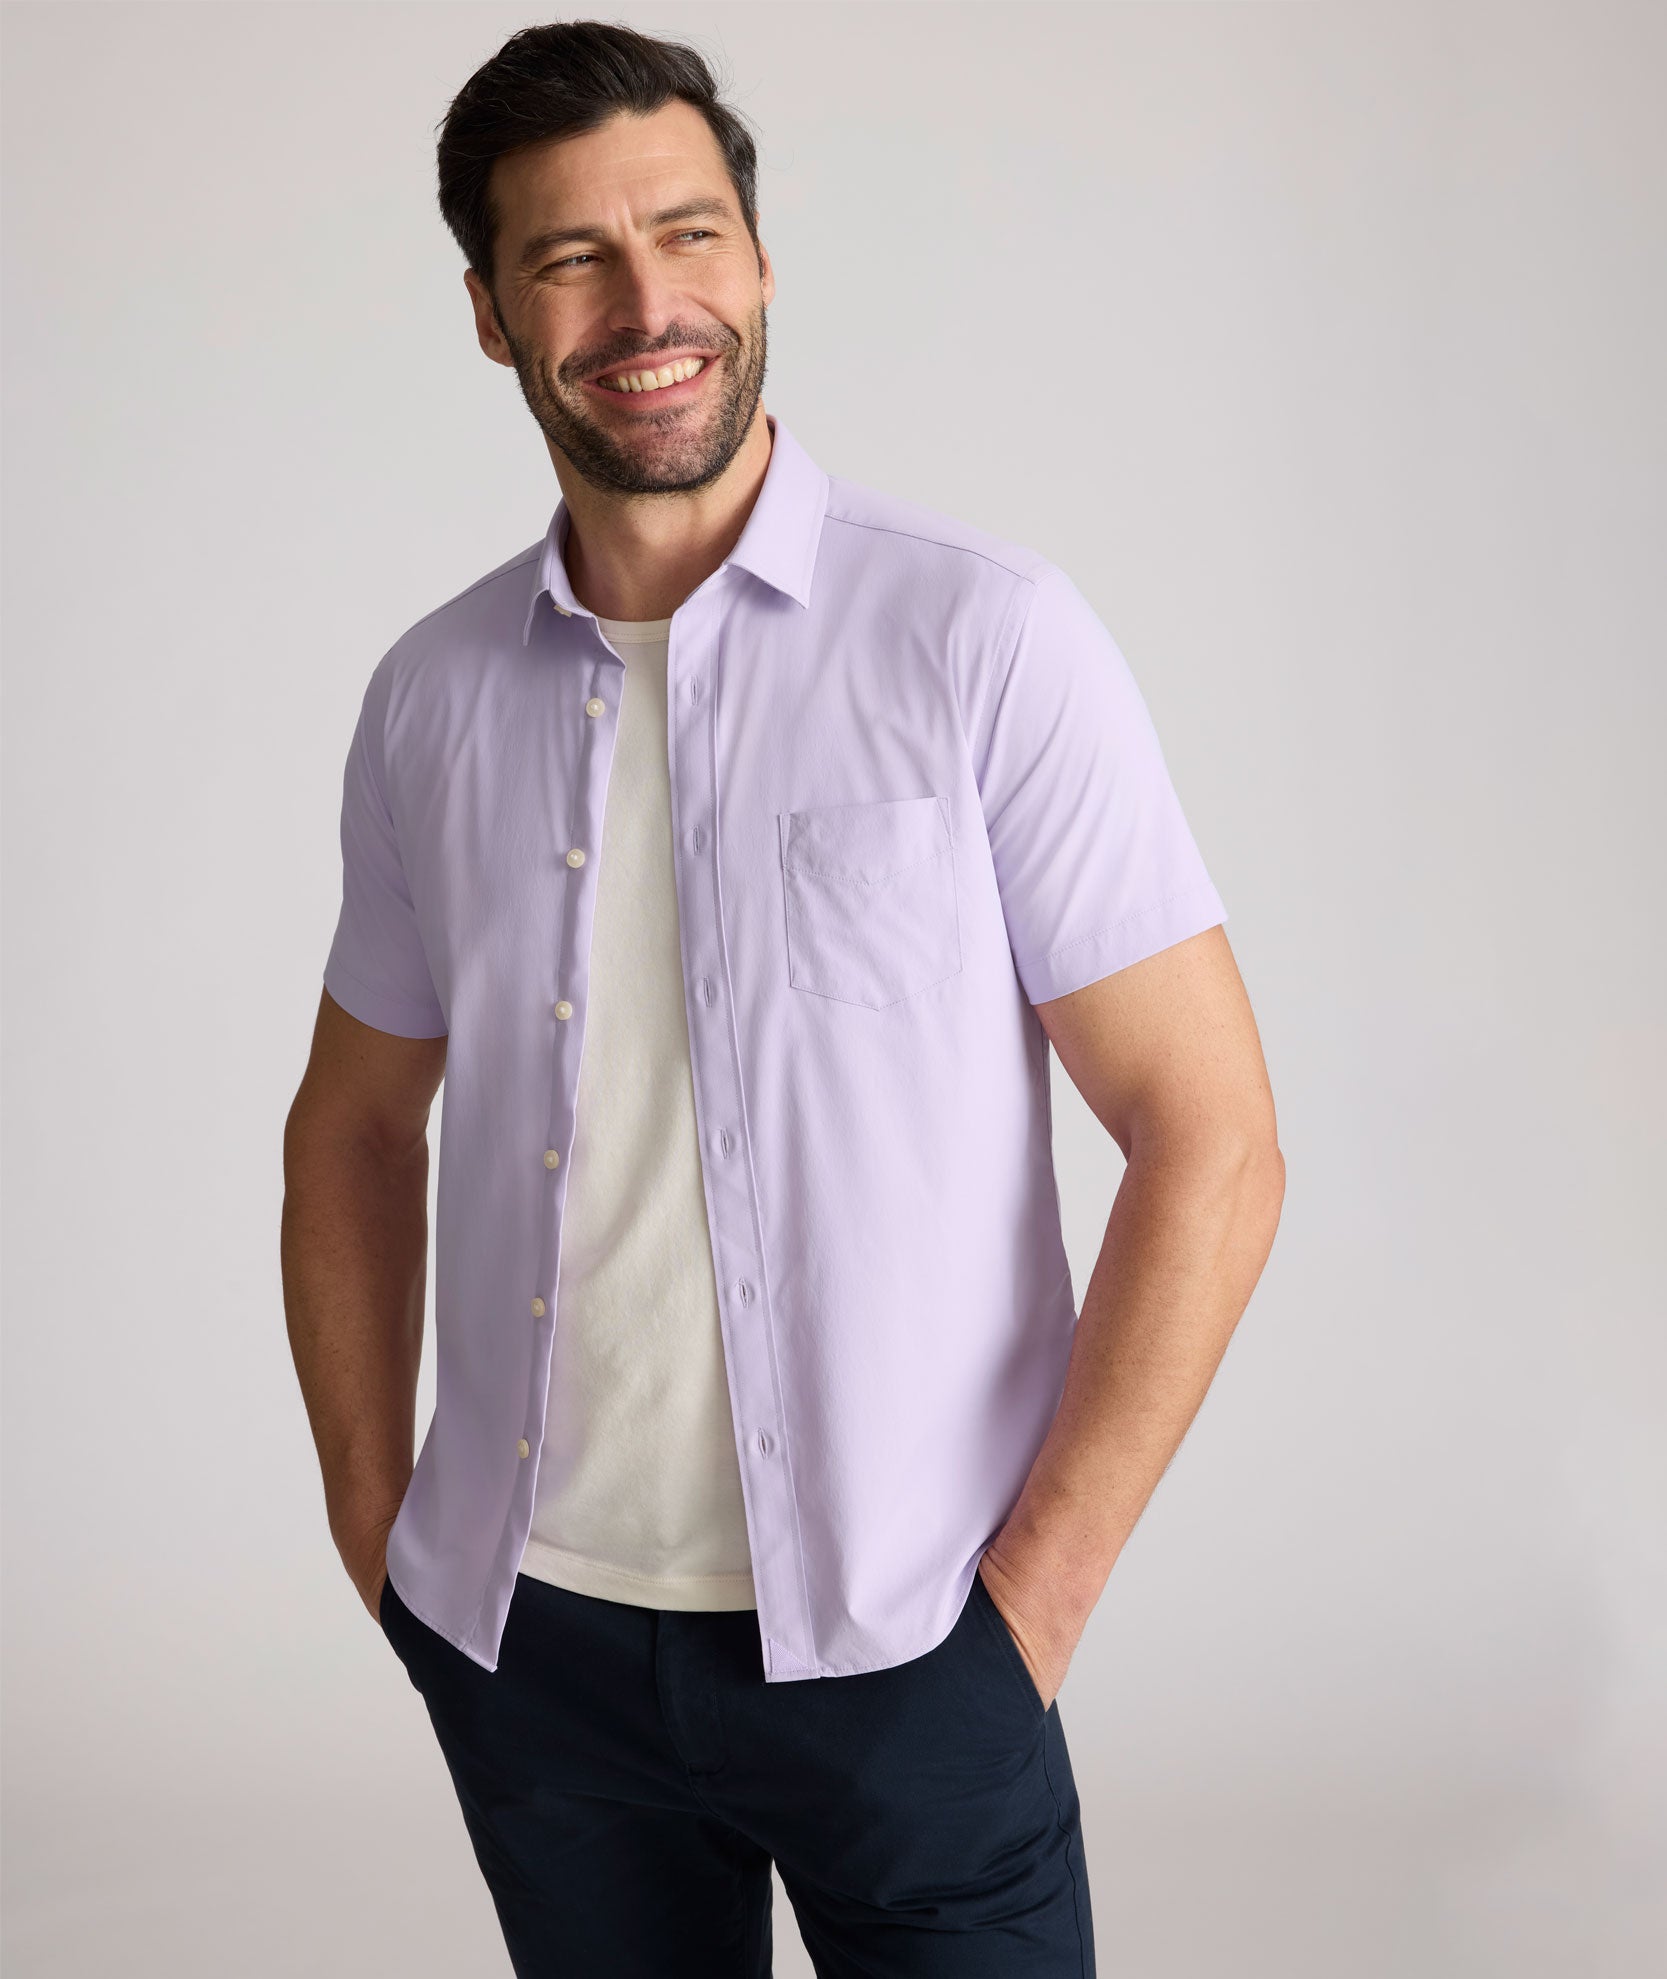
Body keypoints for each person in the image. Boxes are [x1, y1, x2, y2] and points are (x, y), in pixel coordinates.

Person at [280, 19, 1284, 1976]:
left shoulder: (983, 638)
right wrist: (377, 1528)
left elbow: (1214, 1138)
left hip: (915, 1647)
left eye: (688, 233)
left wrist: (1037, 1602)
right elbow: (352, 1127)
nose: (645, 304)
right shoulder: (430, 700)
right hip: (534, 1649)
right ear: (490, 315)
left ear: (757, 260)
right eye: (571, 257)